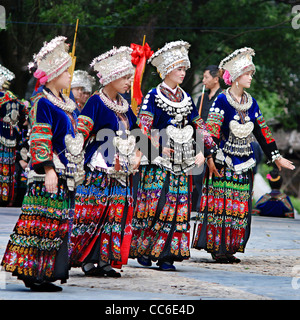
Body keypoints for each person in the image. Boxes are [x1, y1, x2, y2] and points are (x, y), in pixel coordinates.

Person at [192, 47, 295, 263]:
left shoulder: (252, 103)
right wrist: (207, 155)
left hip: (244, 162)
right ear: (237, 77)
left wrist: (276, 156)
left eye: (251, 74)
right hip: (223, 162)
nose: (250, 78)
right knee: (222, 206)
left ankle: (230, 248)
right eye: (247, 74)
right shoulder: (222, 101)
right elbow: (212, 131)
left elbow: (263, 132)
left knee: (238, 207)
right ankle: (218, 249)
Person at [1, 36, 85, 291]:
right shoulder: (42, 102)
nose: (70, 76)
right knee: (42, 222)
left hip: (66, 171)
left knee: (57, 223)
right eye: (66, 72)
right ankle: (34, 273)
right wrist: (48, 169)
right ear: (54, 74)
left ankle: (45, 272)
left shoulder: (68, 104)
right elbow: (39, 136)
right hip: (49, 172)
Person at [129, 40, 218, 271]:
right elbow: (141, 130)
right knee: (156, 206)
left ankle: (167, 256)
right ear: (168, 70)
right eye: (180, 69)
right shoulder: (153, 95)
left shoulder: (186, 98)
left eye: (185, 69)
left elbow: (199, 125)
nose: (183, 73)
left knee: (177, 207)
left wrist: (207, 151)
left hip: (181, 163)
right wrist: (153, 151)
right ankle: (146, 248)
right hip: (157, 162)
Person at [70, 46, 142, 277]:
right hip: (99, 169)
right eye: (125, 77)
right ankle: (87, 260)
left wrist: (139, 154)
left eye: (130, 78)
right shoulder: (95, 102)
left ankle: (105, 260)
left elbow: (138, 132)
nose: (129, 82)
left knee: (116, 214)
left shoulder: (124, 105)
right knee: (93, 213)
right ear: (110, 78)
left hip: (122, 170)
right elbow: (81, 132)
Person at [193, 65, 223, 211]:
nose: (203, 81)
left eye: (206, 77)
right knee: (198, 175)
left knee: (213, 174)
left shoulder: (223, 97)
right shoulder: (202, 98)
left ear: (216, 79)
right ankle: (200, 204)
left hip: (217, 143)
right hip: (200, 142)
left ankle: (209, 206)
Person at [0, 64, 28, 206]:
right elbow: (24, 117)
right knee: (8, 171)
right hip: (10, 139)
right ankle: (6, 198)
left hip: (5, 138)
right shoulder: (14, 99)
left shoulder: (8, 98)